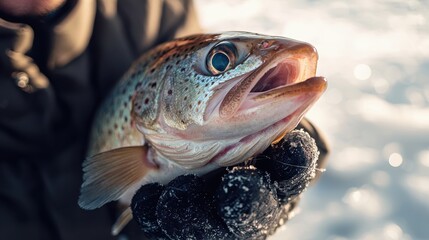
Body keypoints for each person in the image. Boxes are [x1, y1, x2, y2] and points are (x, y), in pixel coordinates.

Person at [0, 1, 329, 239]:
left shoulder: (157, 8)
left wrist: (281, 157)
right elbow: (99, 190)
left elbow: (218, 104)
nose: (220, 62)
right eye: (220, 60)